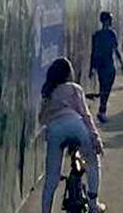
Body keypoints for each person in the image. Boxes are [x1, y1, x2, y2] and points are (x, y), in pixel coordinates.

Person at [39, 58, 105, 213]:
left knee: (51, 178)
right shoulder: (74, 88)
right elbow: (85, 114)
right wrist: (95, 137)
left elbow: (42, 119)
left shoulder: (49, 92)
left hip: (55, 130)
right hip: (76, 125)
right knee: (92, 162)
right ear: (69, 74)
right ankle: (94, 205)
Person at [89, 11, 120, 123]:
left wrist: (92, 67)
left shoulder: (97, 35)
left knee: (104, 88)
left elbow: (93, 52)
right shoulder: (111, 34)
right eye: (110, 19)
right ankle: (102, 110)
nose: (111, 21)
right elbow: (115, 50)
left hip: (102, 65)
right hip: (107, 65)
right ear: (106, 21)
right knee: (106, 88)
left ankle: (102, 110)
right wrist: (120, 62)